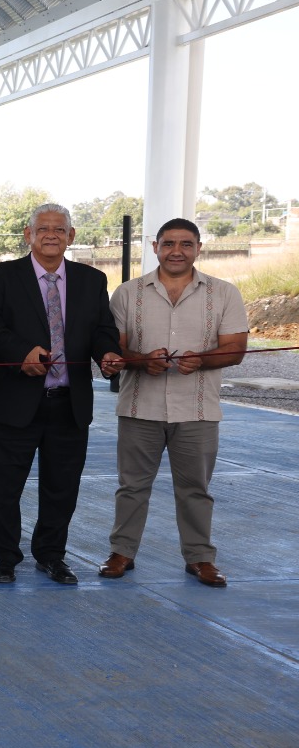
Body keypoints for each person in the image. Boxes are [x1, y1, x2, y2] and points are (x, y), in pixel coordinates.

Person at [0, 203, 123, 585]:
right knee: (4, 488)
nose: (51, 235)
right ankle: (5, 557)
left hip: (68, 405)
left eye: (60, 229)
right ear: (28, 235)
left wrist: (107, 353)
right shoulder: (0, 278)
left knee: (61, 487)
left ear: (71, 237)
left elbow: (102, 329)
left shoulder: (92, 281)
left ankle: (51, 555)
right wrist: (20, 353)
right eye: (43, 228)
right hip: (12, 403)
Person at [102, 219, 247, 587]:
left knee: (196, 488)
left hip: (197, 409)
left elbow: (235, 350)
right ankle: (122, 553)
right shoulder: (127, 293)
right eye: (169, 244)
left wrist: (203, 360)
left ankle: (200, 558)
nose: (177, 251)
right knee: (131, 486)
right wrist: (141, 360)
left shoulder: (225, 293)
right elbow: (115, 348)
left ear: (199, 247)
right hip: (139, 407)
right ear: (155, 247)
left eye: (185, 243)